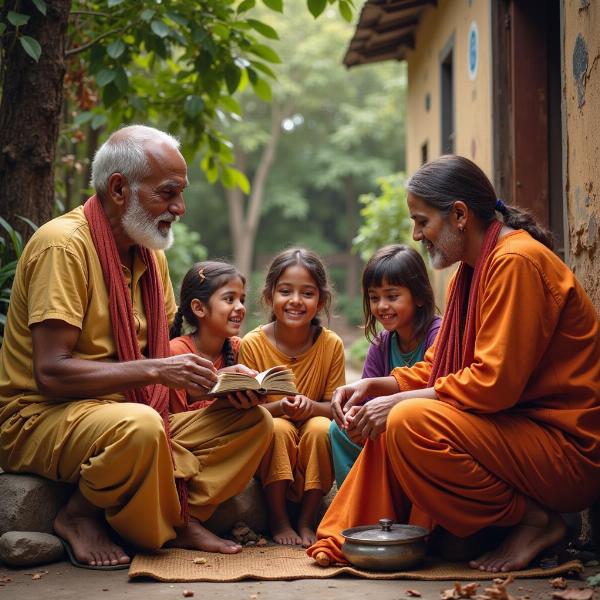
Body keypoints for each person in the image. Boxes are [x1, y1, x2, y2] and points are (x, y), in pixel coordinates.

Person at [307, 155, 600, 573]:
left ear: (459, 215)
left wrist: (401, 403)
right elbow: (437, 366)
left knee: (409, 421)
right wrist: (382, 386)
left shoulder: (515, 262)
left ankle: (536, 521)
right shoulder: (474, 270)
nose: (416, 234)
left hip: (567, 452)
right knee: (448, 542)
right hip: (521, 439)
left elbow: (494, 383)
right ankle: (510, 520)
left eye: (422, 221)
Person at [0, 125, 273, 569]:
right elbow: (51, 373)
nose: (179, 208)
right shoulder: (63, 246)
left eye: (180, 194)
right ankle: (79, 515)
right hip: (37, 416)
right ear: (118, 188)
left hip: (127, 412)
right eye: (167, 194)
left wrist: (220, 384)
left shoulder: (151, 254)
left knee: (254, 423)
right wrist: (156, 371)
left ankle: (172, 513)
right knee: (142, 426)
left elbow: (158, 359)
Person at [239, 248, 346, 547]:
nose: (296, 301)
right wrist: (281, 408)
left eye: (307, 293)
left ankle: (307, 518)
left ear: (321, 301)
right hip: (270, 434)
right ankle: (278, 518)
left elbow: (335, 407)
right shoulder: (253, 344)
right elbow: (249, 411)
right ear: (270, 295)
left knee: (320, 428)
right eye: (286, 291)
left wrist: (311, 407)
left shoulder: (331, 345)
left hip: (313, 435)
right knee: (279, 428)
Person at [329, 245, 441, 488]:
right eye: (374, 297)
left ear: (419, 296)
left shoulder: (439, 334)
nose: (381, 306)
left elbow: (438, 386)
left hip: (420, 430)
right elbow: (365, 402)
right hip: (383, 431)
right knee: (337, 431)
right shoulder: (382, 344)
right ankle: (358, 508)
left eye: (392, 296)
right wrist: (352, 417)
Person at [169, 260, 250, 413]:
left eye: (242, 300)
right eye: (229, 299)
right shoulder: (177, 352)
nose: (240, 307)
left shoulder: (239, 347)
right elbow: (176, 421)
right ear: (199, 308)